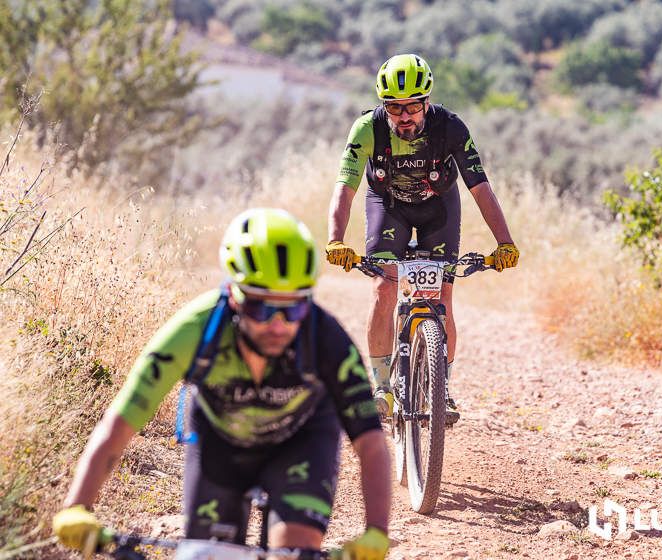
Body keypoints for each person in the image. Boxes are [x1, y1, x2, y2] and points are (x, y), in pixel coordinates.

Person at [52, 208, 392, 560]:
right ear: (232, 293)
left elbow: (370, 443)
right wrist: (77, 504)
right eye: (261, 308)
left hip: (302, 441)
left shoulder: (327, 339)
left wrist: (377, 532)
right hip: (220, 444)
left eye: (293, 309)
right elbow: (120, 423)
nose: (278, 325)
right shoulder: (193, 330)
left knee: (295, 549)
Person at [325, 53, 519, 420]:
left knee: (443, 296)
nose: (404, 117)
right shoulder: (367, 129)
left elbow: (480, 188)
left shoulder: (451, 128)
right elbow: (344, 189)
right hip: (388, 205)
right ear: (384, 106)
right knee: (384, 288)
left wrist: (504, 242)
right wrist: (336, 238)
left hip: (438, 208)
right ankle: (382, 387)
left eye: (412, 107)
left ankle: (441, 386)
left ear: (426, 102)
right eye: (394, 108)